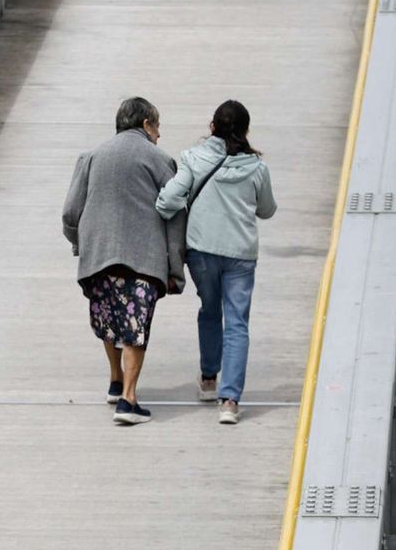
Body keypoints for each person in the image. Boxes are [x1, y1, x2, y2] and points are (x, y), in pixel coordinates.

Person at [62, 97, 187, 425]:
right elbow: (175, 216)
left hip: (99, 257)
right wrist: (175, 268)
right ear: (146, 125)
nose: (159, 135)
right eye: (157, 127)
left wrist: (81, 246)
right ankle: (129, 401)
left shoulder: (91, 158)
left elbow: (70, 212)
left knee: (111, 320)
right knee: (135, 327)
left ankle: (116, 381)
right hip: (142, 258)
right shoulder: (160, 160)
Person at [156, 99, 277, 425]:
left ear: (212, 127)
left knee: (210, 310)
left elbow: (168, 200)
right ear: (246, 130)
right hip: (240, 256)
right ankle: (230, 400)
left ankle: (209, 378)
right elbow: (267, 210)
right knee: (237, 322)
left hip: (202, 252)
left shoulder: (193, 159)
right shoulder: (257, 168)